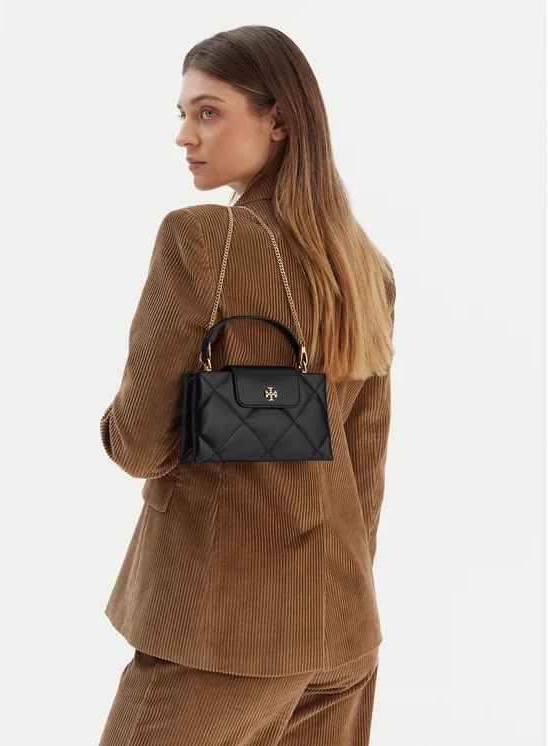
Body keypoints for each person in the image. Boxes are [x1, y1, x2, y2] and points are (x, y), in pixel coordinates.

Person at [98, 24, 396, 746]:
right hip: (341, 628)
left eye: (209, 112)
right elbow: (365, 463)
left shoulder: (200, 239)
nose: (185, 135)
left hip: (221, 633)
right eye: (183, 114)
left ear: (279, 119)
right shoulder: (365, 268)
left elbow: (137, 445)